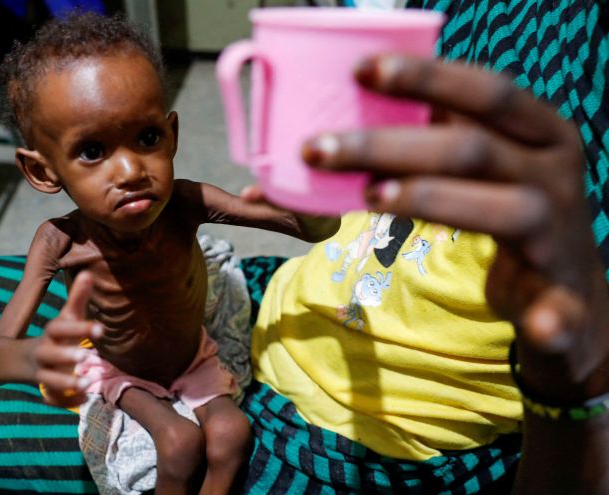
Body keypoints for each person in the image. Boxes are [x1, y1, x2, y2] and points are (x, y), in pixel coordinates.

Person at [245, 0, 609, 493]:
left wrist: (565, 384)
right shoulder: (435, 23)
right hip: (289, 306)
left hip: (381, 438)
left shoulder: (576, 58)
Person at [0, 12, 339, 495]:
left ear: (172, 135)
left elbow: (314, 229)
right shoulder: (59, 240)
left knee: (232, 433)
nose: (129, 170)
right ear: (43, 172)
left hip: (191, 355)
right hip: (120, 368)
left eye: (147, 138)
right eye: (92, 151)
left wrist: (304, 195)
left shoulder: (188, 203)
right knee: (179, 441)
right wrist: (37, 356)